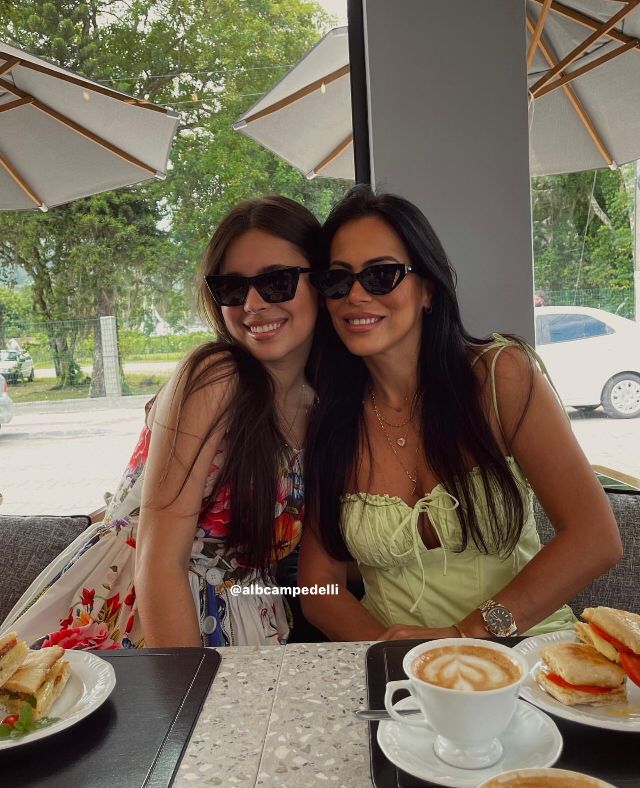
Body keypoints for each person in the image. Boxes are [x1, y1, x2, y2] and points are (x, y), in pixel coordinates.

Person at [299, 185, 622, 642]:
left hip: (527, 656)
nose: (355, 294)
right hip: (397, 676)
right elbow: (318, 587)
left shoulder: (501, 377)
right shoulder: (331, 417)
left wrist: (464, 637)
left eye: (381, 275)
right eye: (337, 279)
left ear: (428, 288)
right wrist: (393, 652)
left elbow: (594, 538)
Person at [2, 195, 323, 648]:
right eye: (232, 287)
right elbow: (159, 556)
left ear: (322, 282)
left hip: (250, 617)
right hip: (146, 615)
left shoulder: (316, 404)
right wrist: (185, 693)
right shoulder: (214, 377)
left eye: (277, 281)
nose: (252, 303)